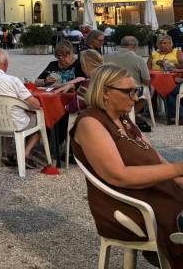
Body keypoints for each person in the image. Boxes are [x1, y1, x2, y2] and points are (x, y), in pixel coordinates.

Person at [71, 64, 183, 267]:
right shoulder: (91, 123)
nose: (135, 97)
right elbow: (118, 176)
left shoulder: (124, 121)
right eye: (129, 91)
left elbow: (158, 160)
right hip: (127, 205)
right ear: (105, 92)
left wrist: (178, 178)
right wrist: (178, 169)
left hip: (151, 192)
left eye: (136, 91)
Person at [0, 49, 43, 168]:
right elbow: (35, 105)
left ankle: (8, 151)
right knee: (41, 123)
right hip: (16, 123)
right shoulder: (13, 80)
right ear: (6, 63)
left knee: (7, 114)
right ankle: (24, 154)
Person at [148, 35, 183, 123]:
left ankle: (176, 115)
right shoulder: (154, 54)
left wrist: (176, 67)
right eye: (160, 43)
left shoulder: (177, 53)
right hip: (155, 79)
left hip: (175, 79)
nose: (162, 45)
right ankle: (154, 112)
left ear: (171, 44)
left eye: (165, 43)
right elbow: (146, 68)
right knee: (164, 90)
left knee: (169, 91)